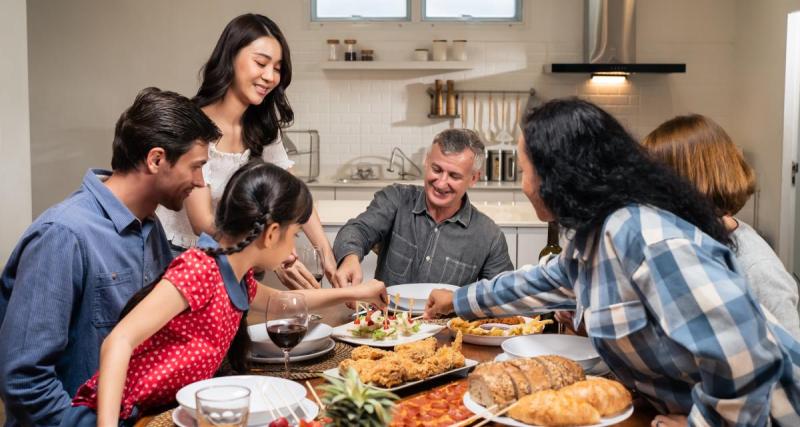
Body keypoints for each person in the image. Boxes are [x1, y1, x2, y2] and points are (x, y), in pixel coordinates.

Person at [425, 98, 800, 426]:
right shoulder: (597, 234)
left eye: (525, 171)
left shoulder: (642, 235)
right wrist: (456, 301)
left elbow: (742, 356)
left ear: (556, 177)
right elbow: (537, 283)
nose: (524, 185)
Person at [60, 160, 387, 426]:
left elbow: (280, 303)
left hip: (161, 411)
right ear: (272, 233)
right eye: (295, 235)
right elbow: (118, 341)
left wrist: (361, 290)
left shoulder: (236, 273)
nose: (294, 247)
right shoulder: (202, 268)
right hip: (114, 417)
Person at [0, 87, 221, 426]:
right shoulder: (63, 235)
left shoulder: (151, 229)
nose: (200, 182)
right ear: (157, 159)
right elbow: (23, 380)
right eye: (196, 167)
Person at [156, 13, 338, 289]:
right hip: (183, 258)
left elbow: (294, 193)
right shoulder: (192, 125)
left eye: (277, 68)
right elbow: (202, 222)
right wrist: (271, 249)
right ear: (230, 58)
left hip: (239, 259)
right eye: (261, 63)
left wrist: (325, 252)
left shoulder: (262, 128)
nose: (270, 76)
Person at [642, 114, 800, 339]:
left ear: (690, 183)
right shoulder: (692, 241)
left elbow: (791, 366)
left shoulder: (756, 267)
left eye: (655, 178)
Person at [333, 128, 514, 287]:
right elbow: (357, 230)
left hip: (448, 326)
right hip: (388, 323)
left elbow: (502, 294)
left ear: (474, 178)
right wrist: (350, 257)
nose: (441, 183)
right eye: (436, 169)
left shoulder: (489, 236)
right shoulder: (395, 199)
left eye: (454, 176)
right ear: (427, 162)